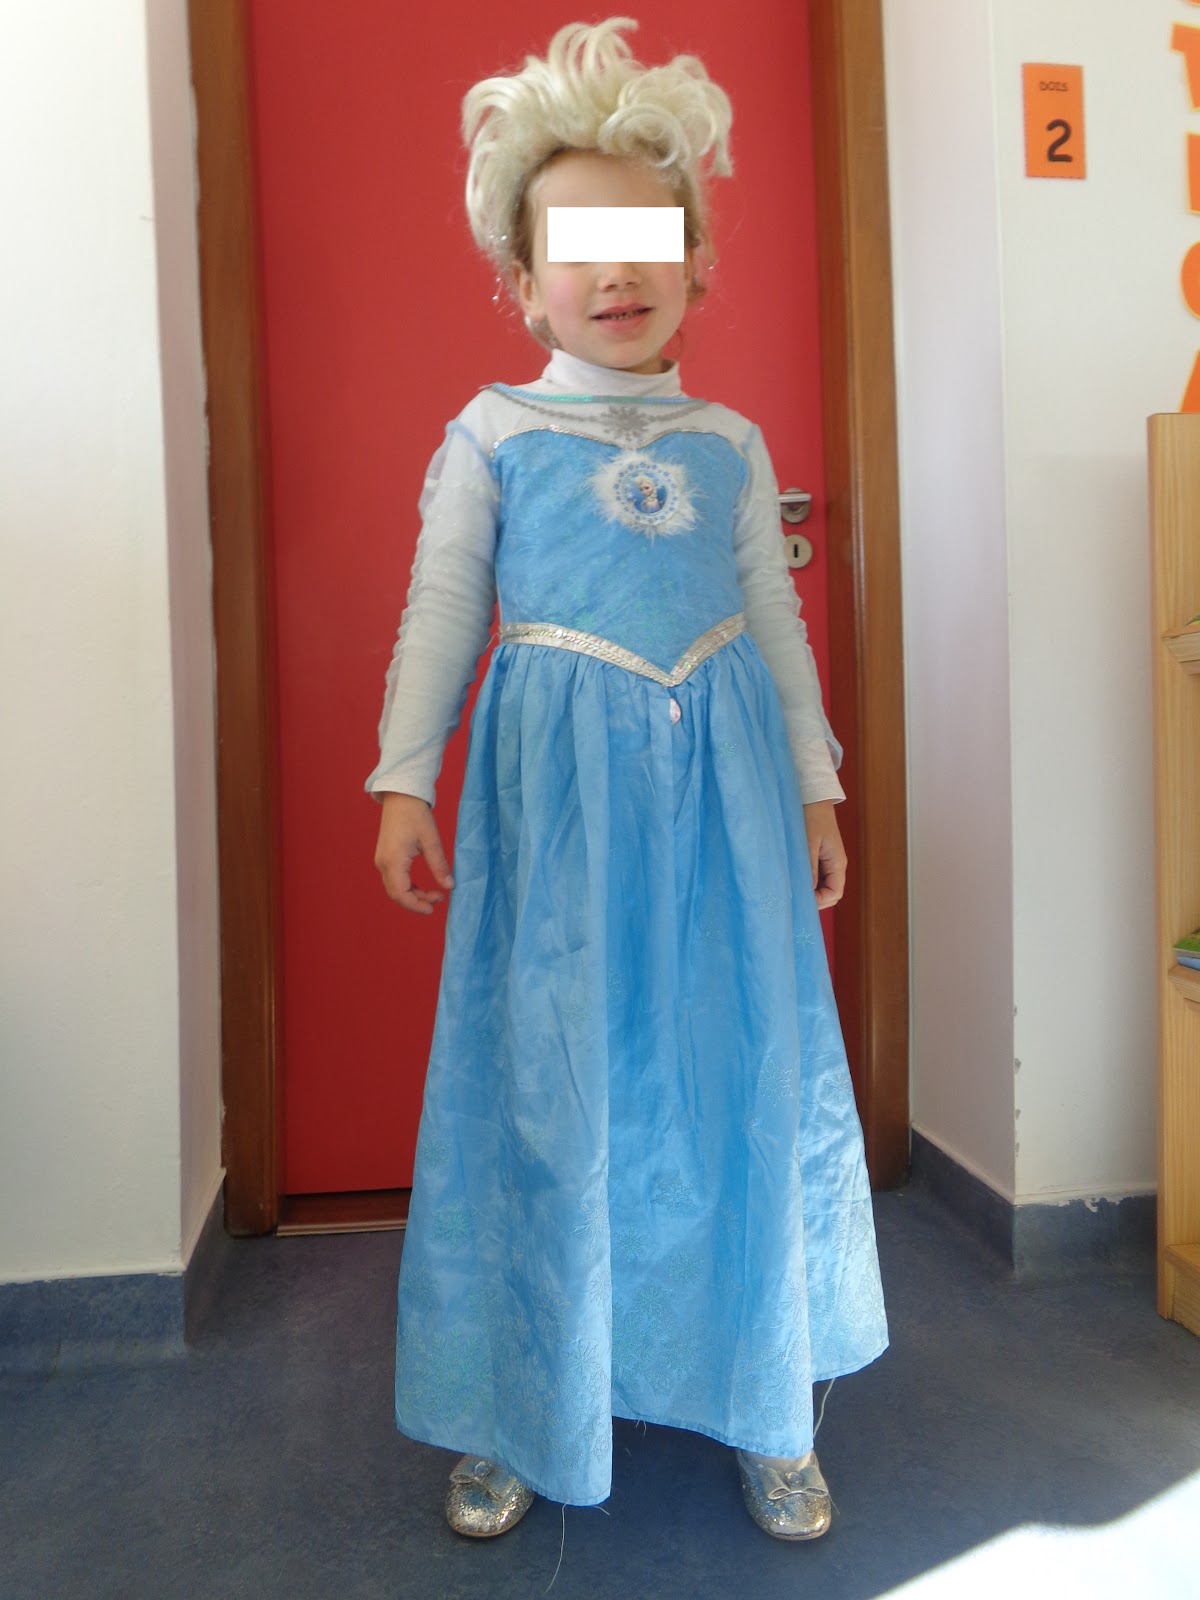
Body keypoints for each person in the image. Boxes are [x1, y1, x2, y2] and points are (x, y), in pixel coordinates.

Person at [367, 15, 888, 1544]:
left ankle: (766, 1397)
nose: (614, 274)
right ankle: (522, 1404)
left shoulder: (731, 443)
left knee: (738, 1089)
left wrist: (816, 784)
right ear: (520, 280)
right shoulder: (493, 435)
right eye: (575, 249)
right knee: (551, 1103)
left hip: (724, 826)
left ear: (695, 265)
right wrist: (405, 775)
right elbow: (441, 610)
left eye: (647, 242)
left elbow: (776, 624)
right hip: (560, 840)